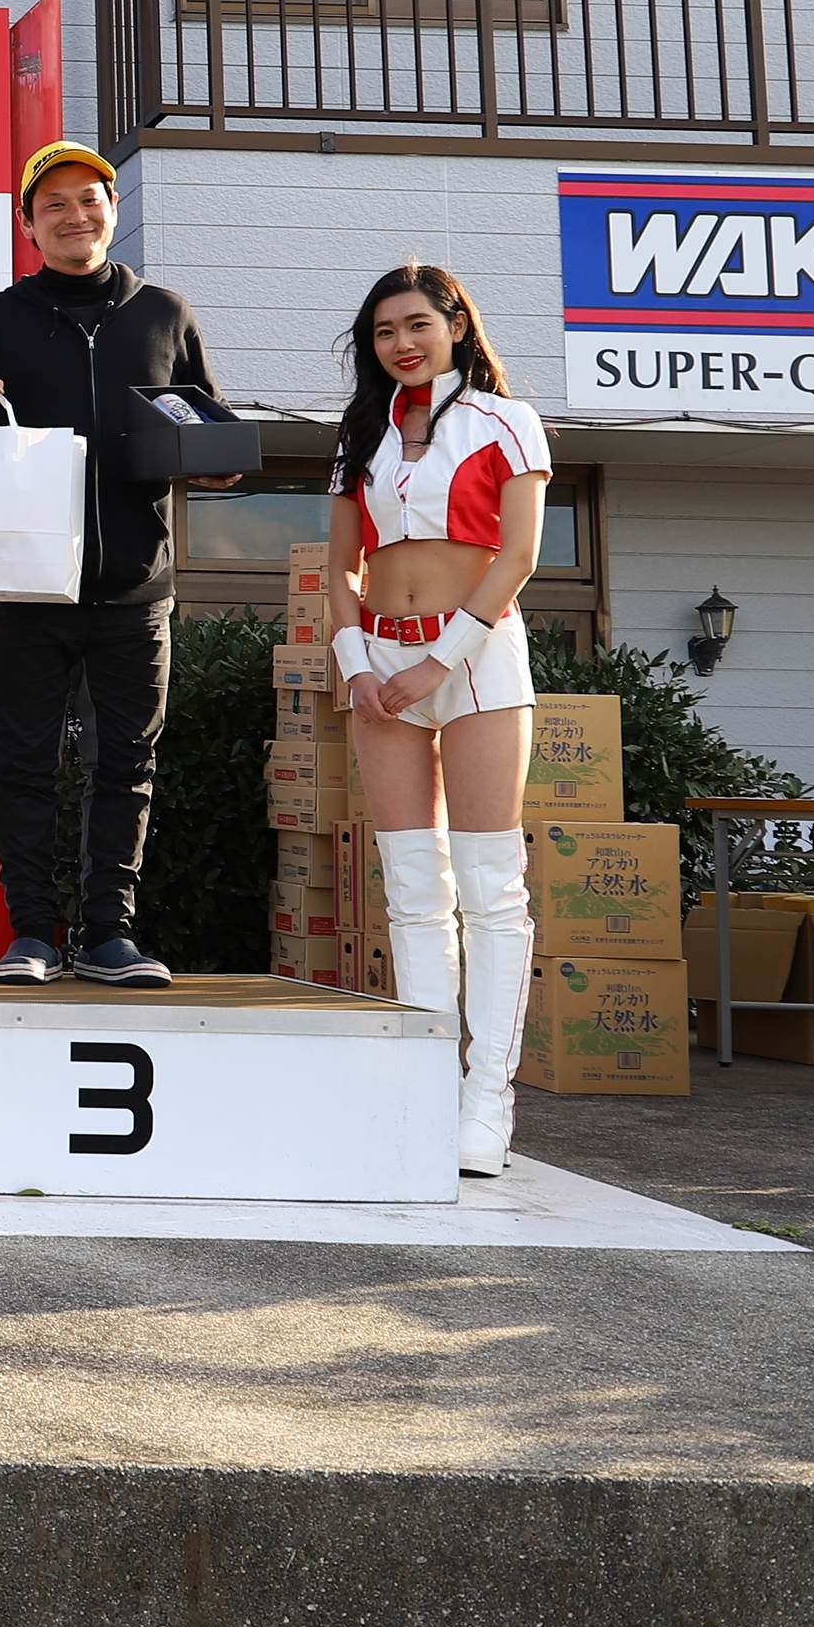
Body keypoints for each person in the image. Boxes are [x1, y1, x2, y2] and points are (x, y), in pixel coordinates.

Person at [0, 141, 222, 985]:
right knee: (22, 767)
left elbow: (204, 420)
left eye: (89, 198)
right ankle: (31, 933)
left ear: (113, 211)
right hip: (23, 583)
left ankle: (108, 936)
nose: (74, 215)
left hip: (136, 585)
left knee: (126, 765)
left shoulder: (164, 314)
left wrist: (220, 458)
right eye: (52, 203)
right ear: (28, 225)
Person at [323, 264, 552, 1180]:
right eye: (384, 331)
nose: (401, 344)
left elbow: (519, 555)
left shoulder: (507, 420)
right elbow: (342, 566)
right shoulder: (360, 433)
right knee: (413, 887)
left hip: (478, 658)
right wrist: (355, 664)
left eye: (417, 324)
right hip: (380, 662)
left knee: (492, 887)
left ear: (456, 324)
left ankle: (486, 1102)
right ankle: (422, 1093)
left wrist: (438, 660)